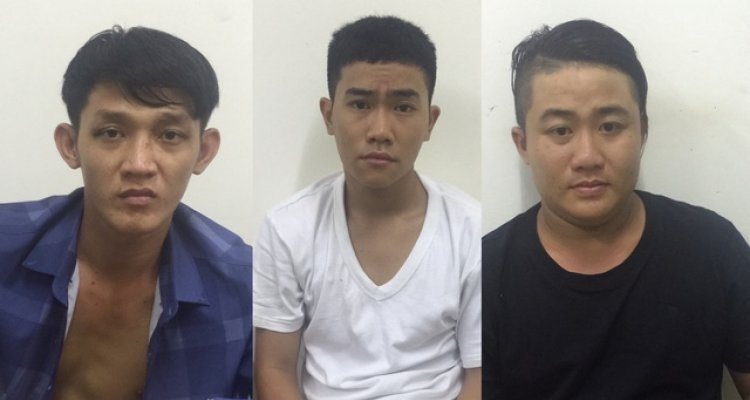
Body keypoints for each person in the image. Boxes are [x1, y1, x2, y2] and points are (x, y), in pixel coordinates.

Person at [482, 19, 750, 399]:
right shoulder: (485, 276)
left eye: (609, 126)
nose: (588, 156)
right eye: (561, 130)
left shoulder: (713, 248)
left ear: (642, 130)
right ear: (523, 144)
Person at [0, 26, 252, 399]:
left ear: (203, 152)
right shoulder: (5, 247)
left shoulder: (247, 288)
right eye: (111, 133)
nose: (139, 164)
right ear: (70, 145)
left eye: (169, 135)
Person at [253, 15, 481, 400]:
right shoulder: (287, 228)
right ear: (329, 115)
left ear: (430, 121)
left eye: (403, 107)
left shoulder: (470, 229)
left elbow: (480, 376)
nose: (380, 131)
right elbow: (273, 368)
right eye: (360, 104)